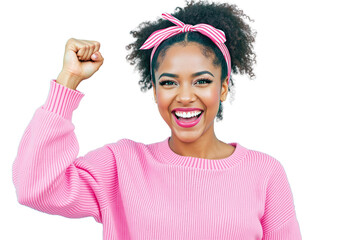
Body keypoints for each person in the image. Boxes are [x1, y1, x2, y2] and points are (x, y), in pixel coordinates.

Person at [12, 0, 301, 239]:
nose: (185, 96)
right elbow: (35, 187)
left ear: (223, 87)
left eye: (201, 81)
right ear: (154, 90)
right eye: (169, 82)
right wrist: (68, 80)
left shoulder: (265, 173)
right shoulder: (122, 164)